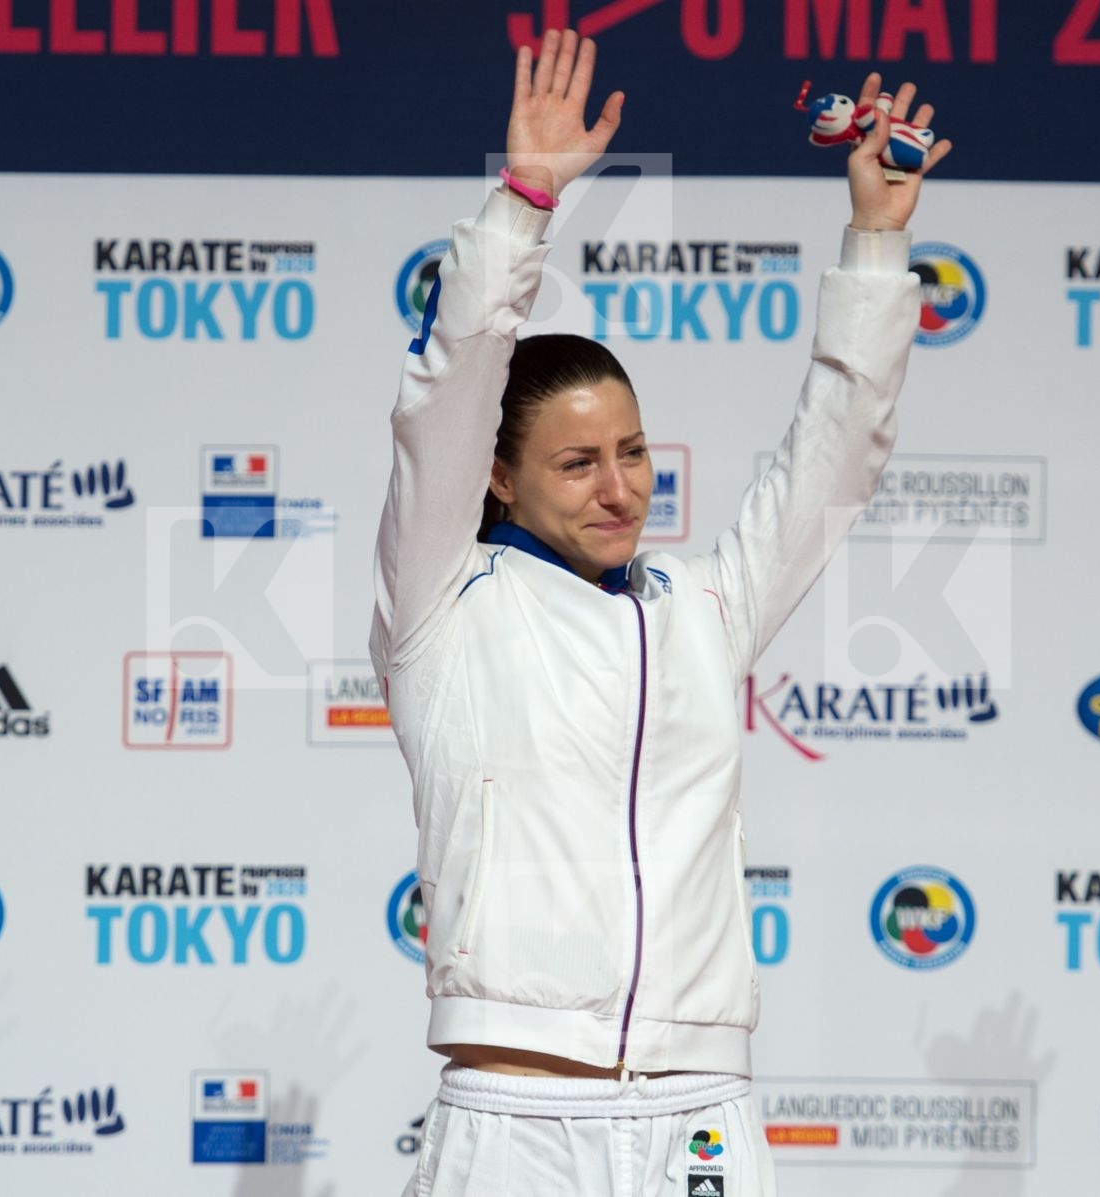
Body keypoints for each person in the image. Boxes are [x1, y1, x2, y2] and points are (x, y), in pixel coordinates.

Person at [369, 30, 950, 1196]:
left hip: (702, 1114)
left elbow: (834, 459)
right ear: (499, 476)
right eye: (577, 461)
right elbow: (448, 395)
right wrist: (522, 206)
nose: (620, 486)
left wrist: (877, 244)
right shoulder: (442, 599)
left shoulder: (702, 607)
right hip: (514, 1114)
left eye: (631, 452)